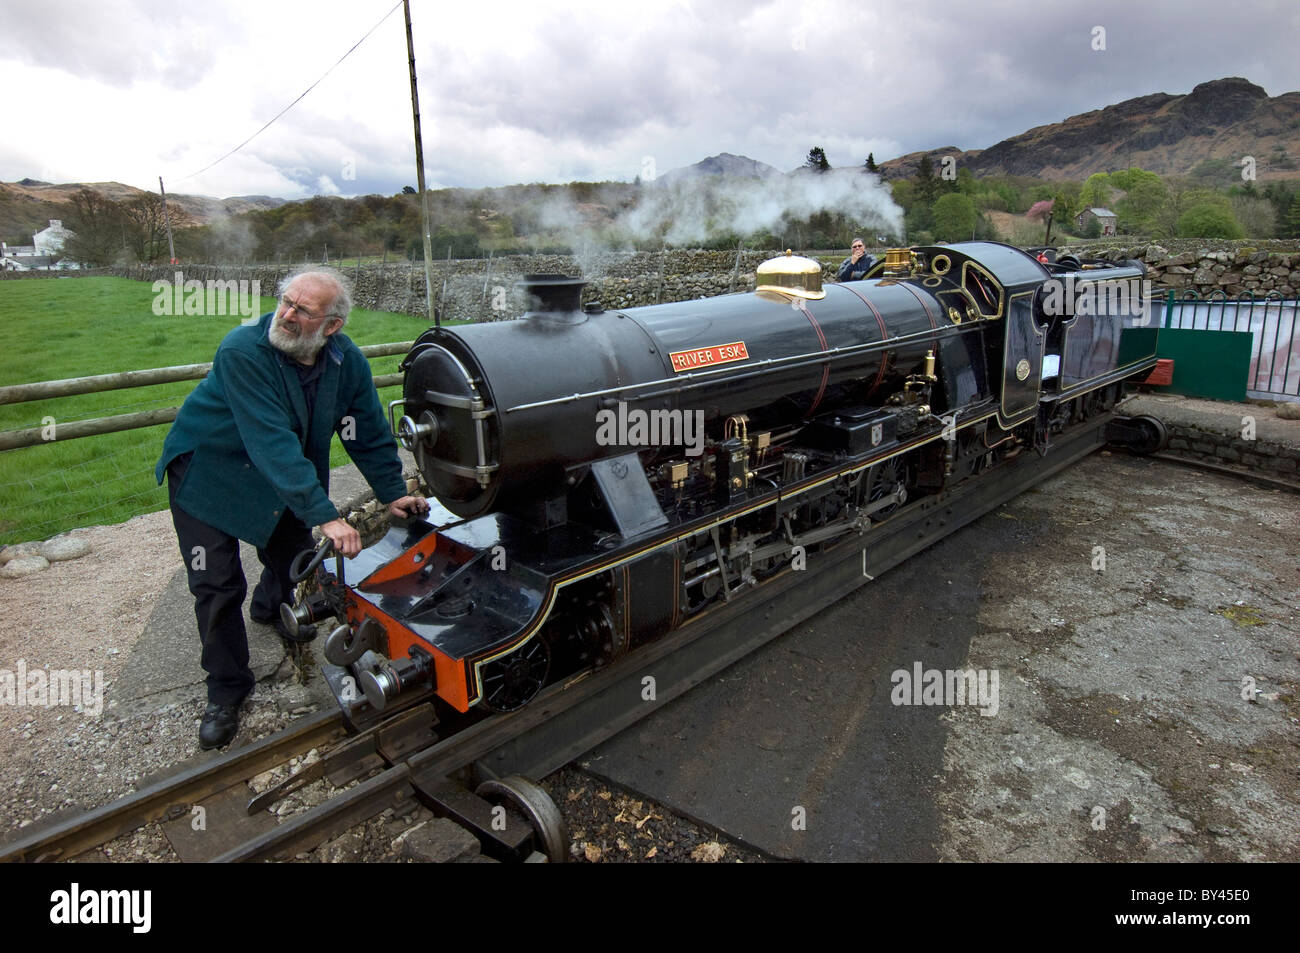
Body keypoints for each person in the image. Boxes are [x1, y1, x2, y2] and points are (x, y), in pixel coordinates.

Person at [155, 269, 428, 749]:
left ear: (332, 327)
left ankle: (270, 610)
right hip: (210, 472)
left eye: (302, 310)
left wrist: (392, 492)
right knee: (216, 584)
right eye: (285, 301)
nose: (285, 314)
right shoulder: (243, 351)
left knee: (293, 561)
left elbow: (363, 430)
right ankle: (226, 688)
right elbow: (271, 440)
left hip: (278, 475)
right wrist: (324, 513)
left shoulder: (347, 364)